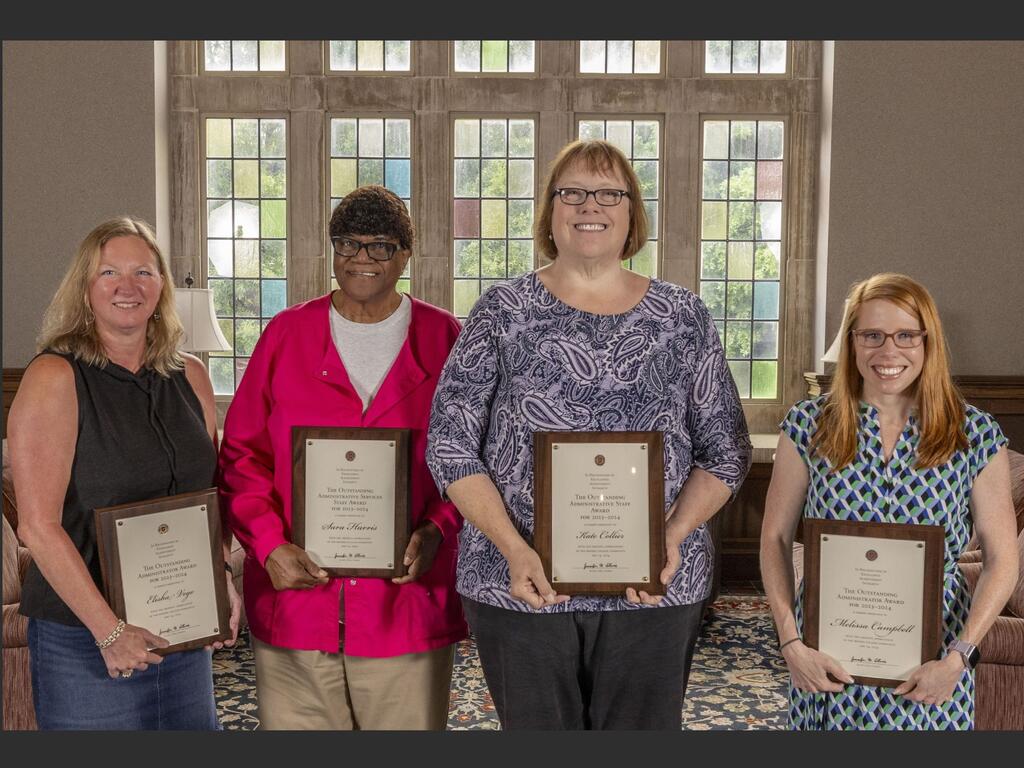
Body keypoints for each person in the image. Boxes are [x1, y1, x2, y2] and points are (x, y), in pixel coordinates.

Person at [426, 139, 752, 730]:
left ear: (632, 214)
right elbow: (450, 443)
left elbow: (726, 449)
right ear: (551, 212)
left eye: (608, 193)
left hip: (655, 585)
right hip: (519, 582)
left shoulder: (684, 317)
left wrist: (671, 537)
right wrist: (513, 547)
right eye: (570, 192)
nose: (588, 205)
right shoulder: (501, 310)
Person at [218, 185, 467, 730]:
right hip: (297, 604)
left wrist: (437, 530)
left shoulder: (446, 337)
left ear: (406, 254)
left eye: (380, 246)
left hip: (404, 608)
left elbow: (475, 460)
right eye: (348, 243)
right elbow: (241, 457)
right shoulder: (286, 334)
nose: (361, 258)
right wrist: (267, 545)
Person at [8, 216, 241, 730]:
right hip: (84, 638)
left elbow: (209, 497)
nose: (127, 287)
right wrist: (110, 632)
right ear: (85, 288)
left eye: (143, 272)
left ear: (161, 286)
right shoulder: (54, 377)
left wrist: (222, 578)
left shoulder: (192, 377)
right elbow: (37, 527)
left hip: (180, 629)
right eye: (109, 272)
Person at [760, 272, 1019, 730]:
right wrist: (791, 645)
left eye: (905, 335)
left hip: (933, 668)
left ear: (928, 341)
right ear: (853, 342)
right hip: (827, 662)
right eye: (872, 335)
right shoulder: (807, 425)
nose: (888, 351)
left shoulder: (973, 434)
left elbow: (1002, 559)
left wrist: (960, 657)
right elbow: (776, 539)